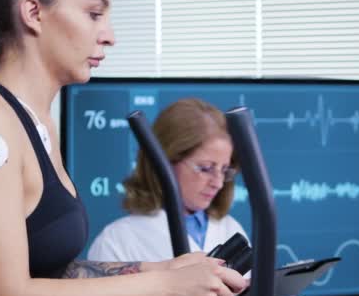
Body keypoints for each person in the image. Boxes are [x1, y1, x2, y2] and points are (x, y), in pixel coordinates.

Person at [0, 0, 246, 296]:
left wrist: (162, 269)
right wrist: (164, 286)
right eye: (94, 14)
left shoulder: (38, 125)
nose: (110, 37)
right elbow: (3, 294)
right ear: (33, 12)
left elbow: (50, 273)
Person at [88, 98, 249, 262]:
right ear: (164, 161)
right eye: (206, 168)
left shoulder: (231, 230)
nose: (218, 183)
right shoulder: (116, 242)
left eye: (224, 170)